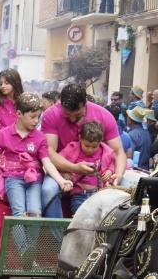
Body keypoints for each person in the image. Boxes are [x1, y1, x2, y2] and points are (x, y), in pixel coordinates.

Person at [0, 92, 69, 217]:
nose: (36, 121)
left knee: (35, 213)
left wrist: (61, 181)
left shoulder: (40, 137)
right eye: (32, 117)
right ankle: (21, 237)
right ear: (19, 114)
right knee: (18, 213)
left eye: (38, 117)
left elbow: (47, 162)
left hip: (34, 179)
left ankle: (31, 237)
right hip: (13, 179)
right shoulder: (3, 134)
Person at [40, 83, 127, 218]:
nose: (73, 119)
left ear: (85, 103)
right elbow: (49, 152)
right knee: (48, 190)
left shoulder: (103, 115)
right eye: (68, 115)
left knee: (125, 189)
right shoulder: (51, 115)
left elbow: (118, 152)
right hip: (60, 170)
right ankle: (56, 237)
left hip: (98, 171)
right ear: (60, 103)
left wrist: (118, 175)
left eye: (78, 114)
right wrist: (74, 168)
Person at [56, 120, 115, 214]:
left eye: (94, 146)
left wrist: (110, 171)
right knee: (80, 216)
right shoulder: (72, 149)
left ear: (101, 141)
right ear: (80, 138)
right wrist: (65, 173)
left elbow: (113, 161)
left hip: (99, 193)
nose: (90, 149)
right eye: (87, 146)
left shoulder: (105, 152)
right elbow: (58, 161)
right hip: (79, 194)